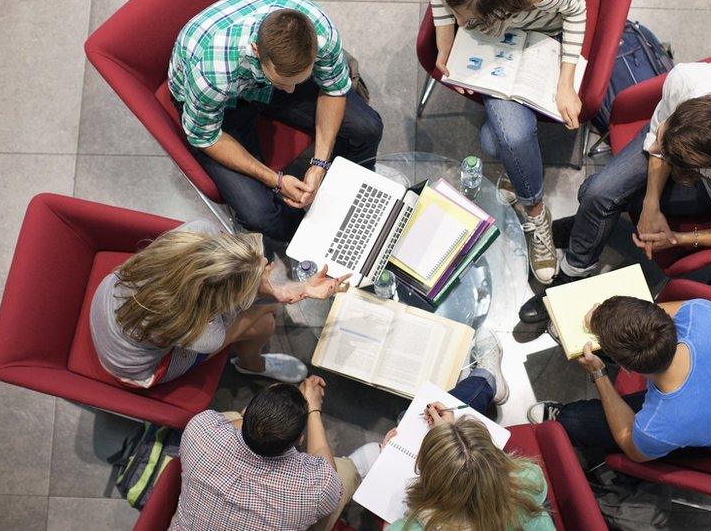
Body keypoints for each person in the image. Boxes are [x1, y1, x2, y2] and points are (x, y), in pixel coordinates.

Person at [519, 62, 711, 322]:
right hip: (701, 138)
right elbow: (656, 140)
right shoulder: (685, 80)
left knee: (604, 202)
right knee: (596, 193)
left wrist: (679, 239)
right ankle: (580, 257)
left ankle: (575, 263)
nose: (655, 149)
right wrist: (651, 204)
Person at [169, 0, 384, 254]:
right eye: (283, 83)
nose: (292, 91)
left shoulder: (320, 31)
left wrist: (319, 164)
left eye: (300, 81)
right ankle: (311, 234)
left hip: (264, 78)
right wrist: (277, 180)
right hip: (224, 106)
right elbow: (206, 137)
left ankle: (353, 192)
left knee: (369, 127)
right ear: (257, 51)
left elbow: (333, 88)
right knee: (260, 215)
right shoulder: (213, 72)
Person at [427, 0, 588, 285]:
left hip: (543, 35)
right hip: (497, 41)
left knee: (502, 139)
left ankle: (536, 212)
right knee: (501, 139)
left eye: (469, 19)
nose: (460, 23)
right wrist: (446, 41)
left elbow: (577, 11)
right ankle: (527, 186)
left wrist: (566, 82)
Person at [89, 220, 349, 388]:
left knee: (266, 307)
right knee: (264, 320)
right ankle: (251, 364)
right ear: (224, 300)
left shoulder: (199, 231)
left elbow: (230, 282)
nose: (267, 267)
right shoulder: (204, 334)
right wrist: (272, 298)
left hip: (109, 301)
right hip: (135, 369)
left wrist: (289, 289)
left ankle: (255, 343)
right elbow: (228, 320)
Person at [528, 296, 711, 464]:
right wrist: (614, 320)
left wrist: (598, 373)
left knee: (573, 419)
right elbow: (656, 314)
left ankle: (561, 419)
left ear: (625, 367)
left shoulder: (659, 423)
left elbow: (631, 448)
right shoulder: (701, 312)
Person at [370, 342, 550, 530]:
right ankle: (483, 378)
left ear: (430, 478)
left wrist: (385, 464)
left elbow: (390, 524)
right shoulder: (529, 481)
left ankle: (482, 379)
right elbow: (474, 467)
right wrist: (450, 436)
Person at [170, 375, 359, 531]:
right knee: (346, 471)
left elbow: (230, 423)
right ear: (299, 440)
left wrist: (260, 415)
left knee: (228, 416)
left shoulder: (199, 429)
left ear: (247, 412)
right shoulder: (314, 489)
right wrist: (313, 410)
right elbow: (327, 472)